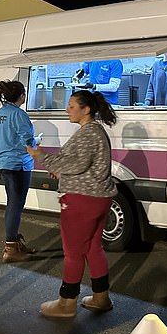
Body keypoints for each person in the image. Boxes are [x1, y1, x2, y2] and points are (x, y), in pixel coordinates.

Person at [27, 90, 117, 318]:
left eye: (71, 105)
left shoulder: (88, 133)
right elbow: (81, 165)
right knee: (93, 248)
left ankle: (67, 302)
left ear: (86, 110)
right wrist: (60, 169)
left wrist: (41, 157)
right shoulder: (95, 132)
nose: (67, 110)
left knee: (73, 252)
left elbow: (76, 164)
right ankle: (100, 296)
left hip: (82, 199)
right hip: (99, 197)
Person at [0, 80, 37, 263]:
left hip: (4, 162)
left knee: (12, 204)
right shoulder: (19, 114)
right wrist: (36, 142)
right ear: (21, 96)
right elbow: (27, 139)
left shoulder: (0, 113)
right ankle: (10, 248)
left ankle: (13, 243)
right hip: (18, 164)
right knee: (15, 206)